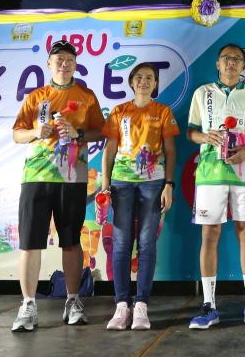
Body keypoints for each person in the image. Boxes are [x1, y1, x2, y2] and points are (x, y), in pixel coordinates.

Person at [10, 39, 104, 332]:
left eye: (69, 60)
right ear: (49, 64)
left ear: (75, 65)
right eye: (59, 59)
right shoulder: (36, 96)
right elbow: (17, 134)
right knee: (30, 243)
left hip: (72, 178)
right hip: (36, 177)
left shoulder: (86, 96)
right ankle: (28, 305)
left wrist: (78, 134)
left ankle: (73, 301)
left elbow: (100, 131)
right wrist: (36, 132)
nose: (64, 64)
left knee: (71, 241)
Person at [186, 43, 245, 329]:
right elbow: (190, 131)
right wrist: (205, 138)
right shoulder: (202, 93)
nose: (231, 63)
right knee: (210, 234)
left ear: (244, 66)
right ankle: (209, 305)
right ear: (217, 64)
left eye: (236, 59)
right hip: (210, 173)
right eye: (226, 58)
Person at [99, 63, 179, 330]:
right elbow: (110, 149)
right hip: (121, 183)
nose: (144, 82)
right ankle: (122, 306)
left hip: (153, 184)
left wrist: (169, 184)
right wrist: (106, 184)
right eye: (139, 78)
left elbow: (171, 151)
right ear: (132, 82)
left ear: (155, 84)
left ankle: (142, 305)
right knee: (121, 244)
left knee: (147, 243)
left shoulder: (163, 112)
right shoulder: (119, 111)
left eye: (149, 78)